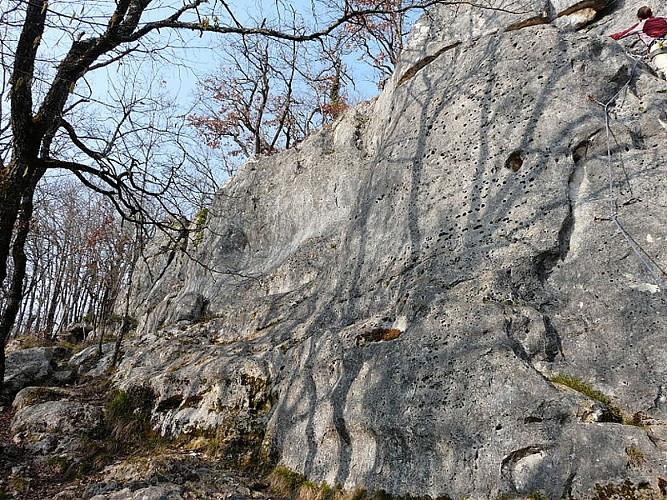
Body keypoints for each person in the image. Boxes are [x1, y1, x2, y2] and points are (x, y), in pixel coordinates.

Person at [610, 6, 667, 79]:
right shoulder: (663, 19)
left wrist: (602, 38)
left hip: (657, 47)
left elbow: (621, 35)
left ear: (639, 17)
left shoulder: (640, 25)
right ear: (651, 14)